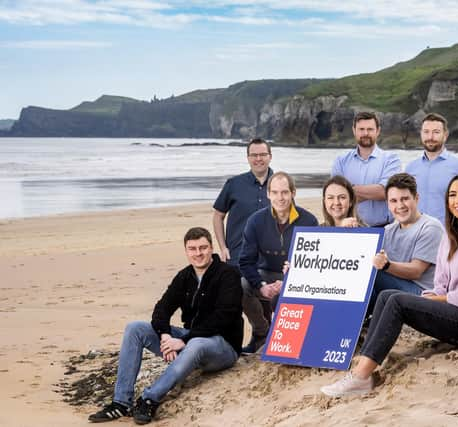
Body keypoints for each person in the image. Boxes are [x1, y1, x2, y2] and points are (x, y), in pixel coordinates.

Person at [321, 172, 458, 397]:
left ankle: (360, 377)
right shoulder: (451, 236)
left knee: (397, 300)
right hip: (455, 310)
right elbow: (441, 284)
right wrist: (433, 296)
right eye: (453, 195)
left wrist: (437, 298)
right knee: (387, 294)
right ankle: (365, 360)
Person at [88, 227, 243, 424]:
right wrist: (165, 336)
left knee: (197, 344)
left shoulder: (228, 274)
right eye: (192, 249)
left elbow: (224, 317)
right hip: (188, 341)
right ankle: (121, 403)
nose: (198, 253)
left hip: (222, 347)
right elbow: (161, 309)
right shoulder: (185, 276)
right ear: (186, 251)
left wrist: (184, 340)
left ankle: (149, 399)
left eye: (203, 248)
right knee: (135, 328)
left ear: (211, 248)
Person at [238, 171, 318, 353]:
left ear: (293, 193)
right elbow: (245, 262)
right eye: (275, 192)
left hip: (297, 279)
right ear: (268, 194)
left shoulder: (309, 221)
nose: (280, 198)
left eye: (284, 192)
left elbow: (313, 265)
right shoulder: (256, 221)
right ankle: (261, 332)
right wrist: (261, 285)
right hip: (266, 275)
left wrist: (289, 282)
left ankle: (293, 338)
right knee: (240, 285)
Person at [368, 173, 443, 311]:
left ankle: (363, 317)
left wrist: (386, 265)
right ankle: (361, 319)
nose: (400, 205)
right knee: (365, 267)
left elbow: (416, 271)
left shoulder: (430, 227)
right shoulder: (388, 230)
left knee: (373, 272)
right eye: (394, 201)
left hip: (423, 294)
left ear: (416, 198)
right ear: (388, 204)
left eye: (405, 199)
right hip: (397, 289)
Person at [332, 111, 401, 228]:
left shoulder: (391, 160)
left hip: (383, 228)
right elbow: (335, 194)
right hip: (348, 228)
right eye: (361, 129)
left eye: (370, 129)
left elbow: (386, 192)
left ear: (378, 131)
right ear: (354, 130)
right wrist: (373, 191)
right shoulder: (341, 161)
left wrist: (348, 192)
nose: (365, 133)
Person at [213, 138, 273, 267]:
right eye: (254, 155)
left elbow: (291, 219)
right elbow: (218, 215)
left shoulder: (280, 185)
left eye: (263, 154)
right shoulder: (234, 184)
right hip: (237, 259)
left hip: (271, 262)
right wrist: (223, 248)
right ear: (248, 158)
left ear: (270, 157)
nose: (258, 159)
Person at [405, 112, 458, 225]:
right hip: (416, 233)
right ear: (421, 134)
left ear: (445, 135)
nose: (430, 137)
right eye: (426, 132)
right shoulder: (410, 168)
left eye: (436, 132)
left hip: (449, 234)